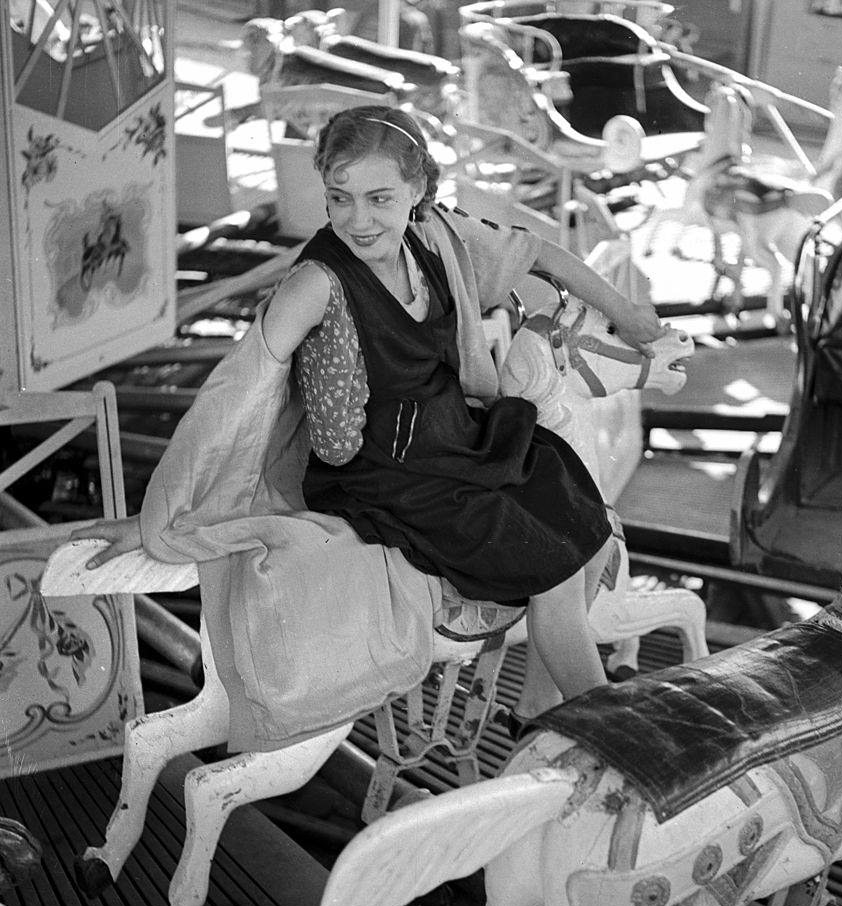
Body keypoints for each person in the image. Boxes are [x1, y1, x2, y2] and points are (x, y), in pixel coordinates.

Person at [74, 104, 667, 744]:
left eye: (380, 198)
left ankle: (536, 713)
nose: (359, 219)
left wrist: (626, 313)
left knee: (569, 493)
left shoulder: (439, 235)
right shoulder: (316, 284)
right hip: (390, 473)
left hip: (456, 441)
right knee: (550, 569)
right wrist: (162, 510)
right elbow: (234, 392)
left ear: (419, 191)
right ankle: (618, 736)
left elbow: (542, 254)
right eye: (340, 197)